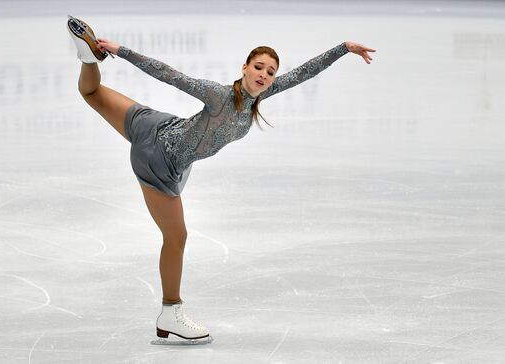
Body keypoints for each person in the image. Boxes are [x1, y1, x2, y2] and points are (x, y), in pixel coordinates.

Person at [66, 15, 375, 344]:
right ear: (244, 67)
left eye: (270, 72)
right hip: (158, 160)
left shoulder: (258, 98)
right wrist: (122, 51)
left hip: (155, 126)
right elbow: (170, 75)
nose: (264, 75)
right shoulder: (218, 96)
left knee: (93, 92)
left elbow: (303, 73)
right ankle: (170, 311)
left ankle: (88, 59)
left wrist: (344, 48)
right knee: (177, 238)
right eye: (259, 67)